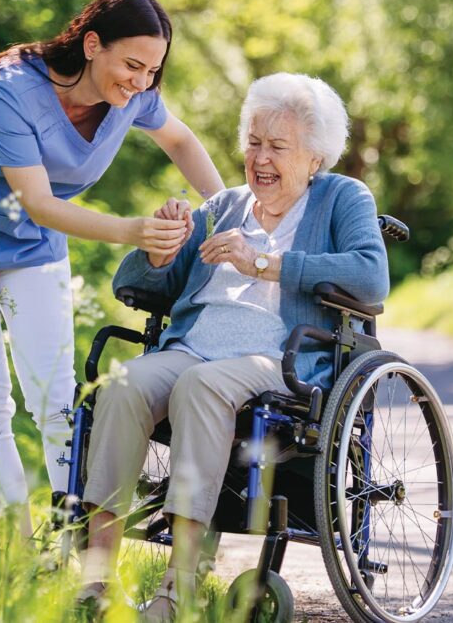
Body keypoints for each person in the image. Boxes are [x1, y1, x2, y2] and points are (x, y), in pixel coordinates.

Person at [0, 0, 225, 536]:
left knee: (55, 394)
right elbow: (40, 203)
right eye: (132, 65)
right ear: (92, 45)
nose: (141, 82)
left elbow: (182, 142)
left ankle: (76, 539)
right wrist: (132, 231)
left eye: (153, 71)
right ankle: (13, 548)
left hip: (31, 244)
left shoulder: (135, 96)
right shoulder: (12, 87)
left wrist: (231, 213)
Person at [78, 72, 389, 619]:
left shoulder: (342, 198)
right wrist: (161, 249)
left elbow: (370, 278)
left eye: (278, 146)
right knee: (122, 385)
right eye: (253, 142)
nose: (261, 158)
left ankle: (179, 588)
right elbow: (139, 286)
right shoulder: (223, 206)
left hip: (281, 359)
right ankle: (96, 581)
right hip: (191, 349)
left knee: (203, 385)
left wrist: (264, 263)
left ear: (314, 158)